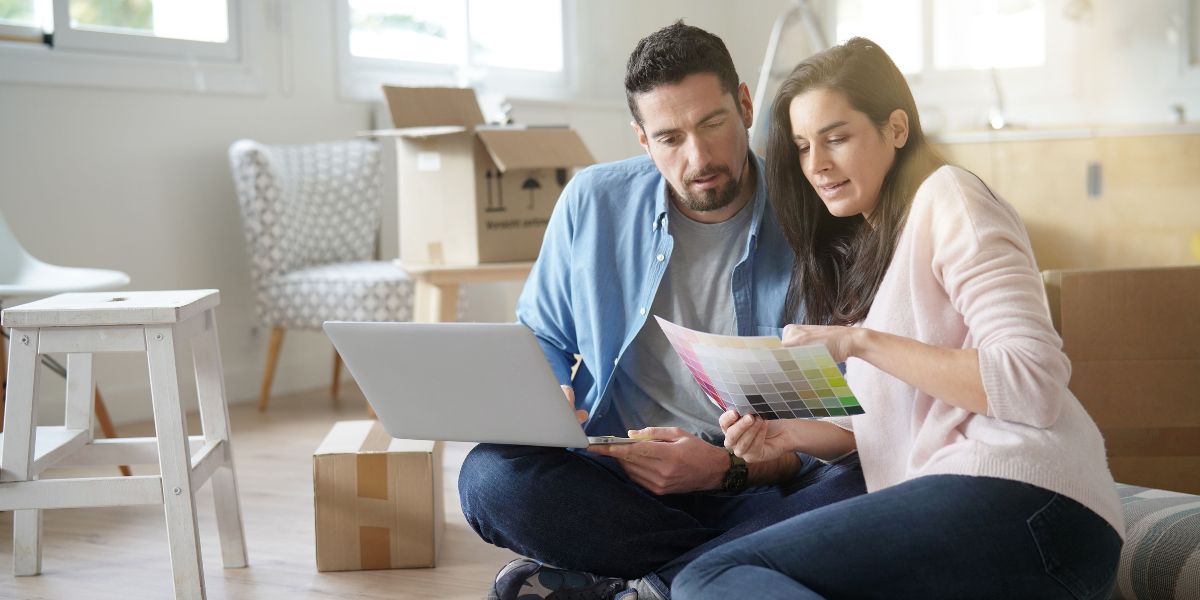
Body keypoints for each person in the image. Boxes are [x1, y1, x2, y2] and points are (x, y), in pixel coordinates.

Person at [672, 37, 1125, 600]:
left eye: (837, 138)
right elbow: (886, 423)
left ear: (896, 129)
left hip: (1032, 500)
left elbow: (1032, 383)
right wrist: (783, 437)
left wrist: (860, 342)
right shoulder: (872, 249)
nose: (817, 165)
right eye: (803, 146)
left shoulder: (948, 196)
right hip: (991, 511)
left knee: (708, 577)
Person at [457, 22, 867, 600]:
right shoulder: (592, 201)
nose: (698, 157)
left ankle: (638, 582)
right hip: (623, 478)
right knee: (490, 479)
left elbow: (850, 416)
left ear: (745, 105)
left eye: (713, 124)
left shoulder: (817, 205)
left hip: (768, 482)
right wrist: (550, 399)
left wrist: (727, 467)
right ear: (642, 140)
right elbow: (542, 335)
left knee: (875, 476)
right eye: (670, 138)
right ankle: (713, 571)